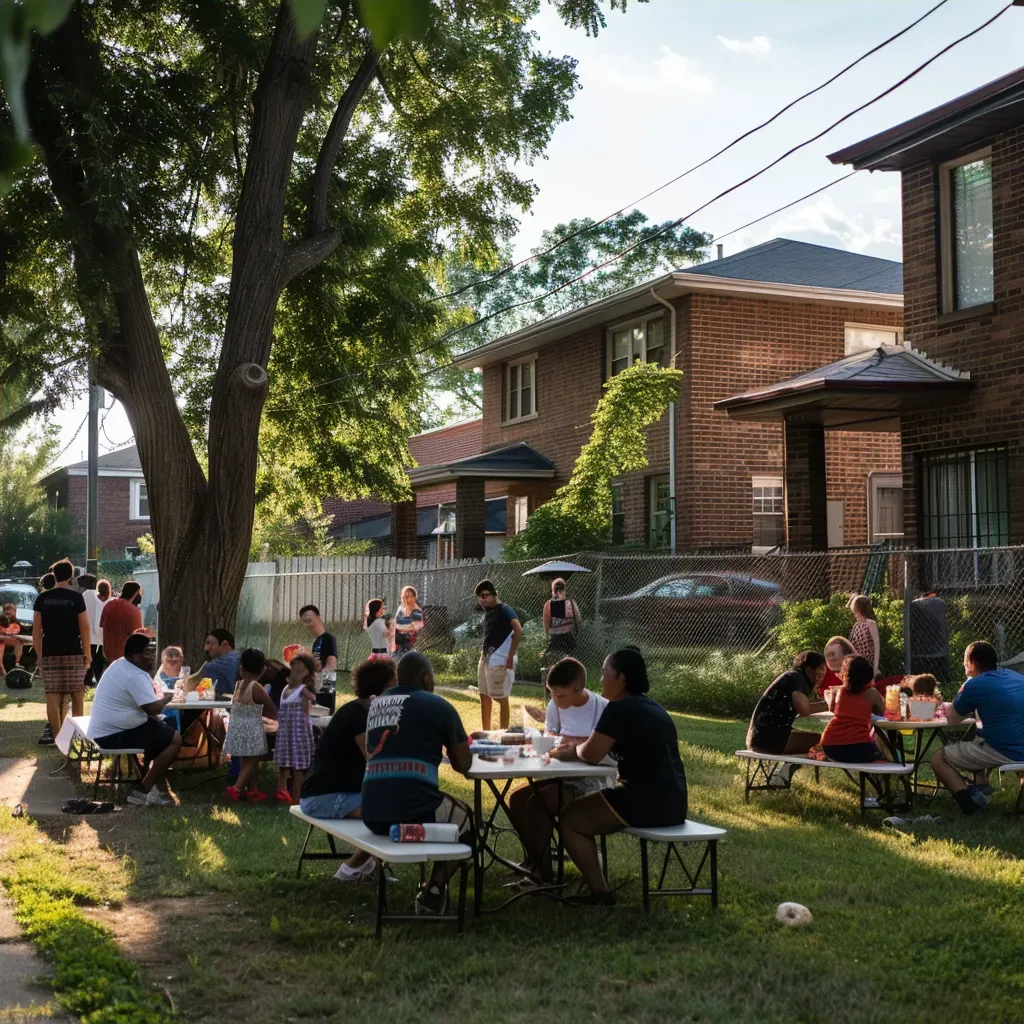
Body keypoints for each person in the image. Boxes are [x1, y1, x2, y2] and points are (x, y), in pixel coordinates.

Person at [549, 648, 688, 905]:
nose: (601, 679)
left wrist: (566, 752)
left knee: (569, 817)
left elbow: (590, 753)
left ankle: (599, 893)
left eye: (605, 673)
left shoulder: (619, 709)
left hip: (644, 799)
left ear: (621, 677)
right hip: (676, 803)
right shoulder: (654, 707)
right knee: (576, 809)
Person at [361, 651, 473, 915]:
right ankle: (433, 891)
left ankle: (431, 888)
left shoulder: (377, 704)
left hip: (373, 811)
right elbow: (463, 763)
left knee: (442, 810)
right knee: (469, 821)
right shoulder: (438, 705)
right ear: (425, 678)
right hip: (413, 811)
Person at [511, 657, 609, 885]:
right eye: (552, 694)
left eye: (561, 695)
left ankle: (542, 872)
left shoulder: (602, 708)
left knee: (539, 802)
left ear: (579, 688)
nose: (555, 700)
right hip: (559, 774)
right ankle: (538, 863)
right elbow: (551, 737)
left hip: (592, 780)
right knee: (517, 799)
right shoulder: (555, 706)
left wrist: (569, 742)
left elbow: (599, 747)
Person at [300, 658, 395, 882]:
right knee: (392, 813)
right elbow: (374, 760)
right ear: (381, 688)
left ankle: (369, 868)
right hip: (321, 797)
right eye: (394, 685)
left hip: (339, 792)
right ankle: (350, 870)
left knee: (395, 807)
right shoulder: (358, 714)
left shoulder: (366, 712)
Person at [87, 633, 182, 806]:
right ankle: (143, 789)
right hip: (114, 735)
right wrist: (168, 698)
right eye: (147, 653)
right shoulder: (135, 675)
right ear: (134, 655)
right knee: (175, 739)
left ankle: (154, 785)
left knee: (161, 729)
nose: (151, 658)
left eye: (152, 653)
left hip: (106, 729)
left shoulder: (120, 665)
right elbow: (153, 708)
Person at [931, 641, 1024, 815]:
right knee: (979, 737)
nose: (963, 665)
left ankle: (969, 803)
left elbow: (952, 719)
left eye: (965, 660)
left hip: (1005, 749)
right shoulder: (1014, 676)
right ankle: (982, 786)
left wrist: (964, 687)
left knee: (938, 758)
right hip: (1019, 744)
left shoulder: (974, 685)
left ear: (971, 663)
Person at [32, 558, 90, 745]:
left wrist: (39, 656)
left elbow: (36, 632)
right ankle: (77, 736)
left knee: (52, 695)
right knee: (77, 695)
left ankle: (59, 739)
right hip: (73, 650)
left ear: (54, 575)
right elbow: (85, 628)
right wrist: (87, 654)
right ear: (71, 575)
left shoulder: (42, 599)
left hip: (50, 652)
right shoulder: (76, 598)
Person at [747, 651, 829, 777]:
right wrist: (830, 704)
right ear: (809, 669)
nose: (823, 672)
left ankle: (783, 774)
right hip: (768, 739)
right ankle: (782, 775)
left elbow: (803, 707)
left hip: (758, 737)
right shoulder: (797, 679)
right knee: (822, 741)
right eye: (820, 669)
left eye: (825, 669)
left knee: (818, 741)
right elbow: (804, 710)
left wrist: (825, 702)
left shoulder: (793, 677)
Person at [224, 648, 278, 802]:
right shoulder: (256, 687)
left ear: (241, 667)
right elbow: (271, 709)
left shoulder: (239, 684)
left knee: (246, 760)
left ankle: (252, 789)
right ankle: (237, 788)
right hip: (251, 729)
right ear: (262, 668)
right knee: (253, 759)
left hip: (237, 728)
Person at [474, 579, 522, 731]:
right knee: (484, 695)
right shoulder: (489, 612)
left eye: (486, 595)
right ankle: (486, 732)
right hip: (486, 656)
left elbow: (518, 630)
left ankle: (503, 734)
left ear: (494, 595)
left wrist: (510, 656)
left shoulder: (505, 609)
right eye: (480, 597)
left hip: (500, 658)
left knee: (500, 698)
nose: (483, 599)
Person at [820, 655, 884, 763]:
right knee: (879, 754)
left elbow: (831, 707)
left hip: (830, 746)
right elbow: (883, 712)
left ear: (844, 674)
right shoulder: (872, 693)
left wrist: (828, 695)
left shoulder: (840, 691)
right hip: (859, 746)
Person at [274, 652, 317, 804]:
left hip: (292, 732)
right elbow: (313, 698)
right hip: (295, 733)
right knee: (294, 765)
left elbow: (312, 698)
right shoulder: (293, 689)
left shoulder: (294, 689)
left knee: (291, 764)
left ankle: (287, 791)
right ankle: (291, 794)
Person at [299, 603, 338, 712]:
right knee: (315, 714)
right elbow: (317, 662)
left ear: (318, 617)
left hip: (325, 682)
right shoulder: (317, 641)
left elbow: (331, 665)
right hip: (317, 681)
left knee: (324, 713)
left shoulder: (329, 638)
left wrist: (320, 682)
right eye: (304, 619)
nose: (307, 619)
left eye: (309, 616)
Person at [183, 629, 239, 697]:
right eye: (206, 643)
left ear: (224, 644)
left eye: (210, 643)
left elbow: (192, 687)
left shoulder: (214, 666)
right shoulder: (237, 657)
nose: (206, 648)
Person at [542, 578, 579, 677]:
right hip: (569, 637)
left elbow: (546, 624)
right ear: (565, 588)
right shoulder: (571, 603)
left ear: (553, 589)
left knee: (551, 663)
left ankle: (552, 680)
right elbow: (578, 620)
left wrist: (547, 636)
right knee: (569, 663)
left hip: (555, 638)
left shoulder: (549, 604)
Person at [99, 581, 143, 663]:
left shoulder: (108, 605)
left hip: (108, 653)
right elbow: (137, 636)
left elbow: (102, 626)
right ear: (135, 594)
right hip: (125, 656)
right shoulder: (133, 611)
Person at [848, 595, 880, 675]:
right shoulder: (857, 624)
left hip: (867, 664)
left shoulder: (870, 623)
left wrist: (875, 668)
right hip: (856, 663)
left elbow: (876, 646)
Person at [393, 586, 424, 661]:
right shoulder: (401, 608)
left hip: (408, 642)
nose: (405, 600)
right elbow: (395, 623)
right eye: (403, 597)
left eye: (408, 597)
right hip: (397, 640)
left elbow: (415, 627)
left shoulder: (417, 611)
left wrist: (400, 628)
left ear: (414, 597)